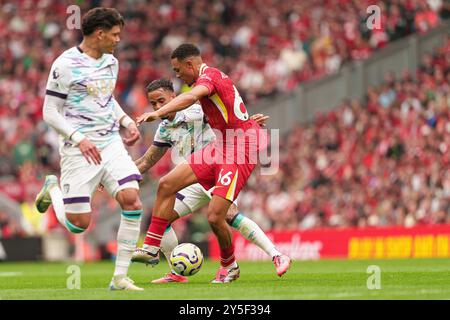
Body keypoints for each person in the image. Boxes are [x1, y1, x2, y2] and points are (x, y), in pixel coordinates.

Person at [136, 43, 288, 283]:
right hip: (202, 169)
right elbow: (147, 160)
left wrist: (247, 125)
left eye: (178, 70)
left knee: (223, 216)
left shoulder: (199, 97)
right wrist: (119, 177)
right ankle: (165, 262)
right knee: (164, 195)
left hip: (229, 157)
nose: (177, 75)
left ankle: (274, 255)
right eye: (153, 104)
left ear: (189, 65)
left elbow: (197, 98)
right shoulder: (166, 127)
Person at [35, 7, 144, 291]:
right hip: (78, 148)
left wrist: (125, 120)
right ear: (99, 33)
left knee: (132, 199)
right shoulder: (65, 64)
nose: (118, 39)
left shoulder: (111, 62)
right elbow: (49, 111)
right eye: (115, 34)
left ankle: (120, 277)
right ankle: (53, 189)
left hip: (110, 142)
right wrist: (78, 137)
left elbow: (106, 99)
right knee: (78, 224)